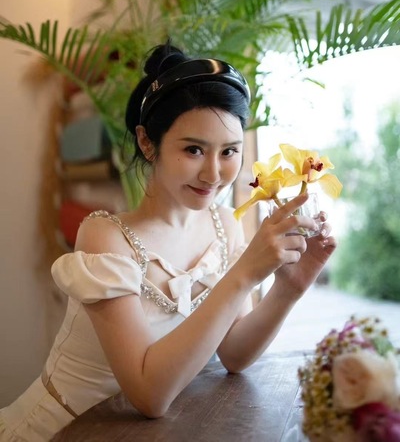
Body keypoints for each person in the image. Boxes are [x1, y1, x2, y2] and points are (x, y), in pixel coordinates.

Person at [0, 42, 336, 441]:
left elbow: (234, 353)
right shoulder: (106, 236)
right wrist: (246, 272)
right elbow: (149, 395)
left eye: (229, 151)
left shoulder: (225, 226)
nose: (213, 174)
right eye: (194, 149)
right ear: (147, 142)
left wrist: (288, 289)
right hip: (62, 432)